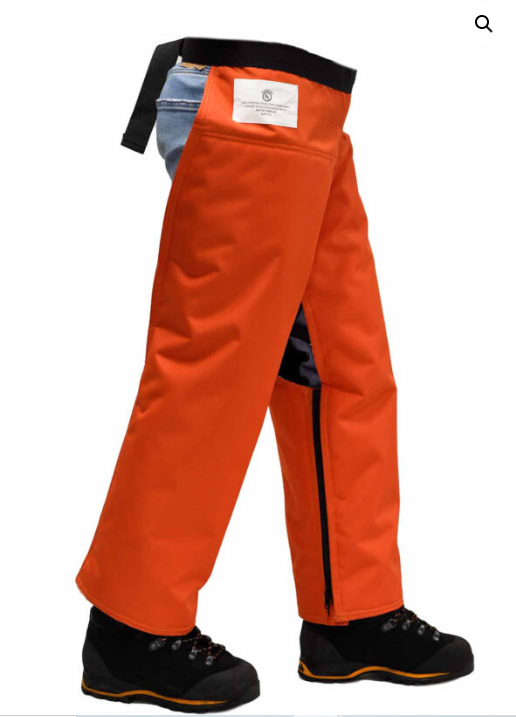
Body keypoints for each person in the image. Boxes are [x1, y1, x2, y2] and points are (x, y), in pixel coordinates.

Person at [77, 38, 473, 713]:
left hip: (314, 112)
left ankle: (352, 616)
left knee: (345, 366)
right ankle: (131, 627)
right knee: (215, 373)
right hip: (247, 103)